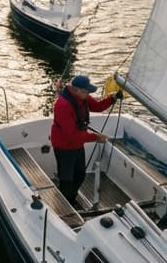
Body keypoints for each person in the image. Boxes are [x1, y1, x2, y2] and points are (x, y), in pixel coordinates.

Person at [50, 74, 119, 206]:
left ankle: (71, 198)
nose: (88, 94)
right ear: (77, 90)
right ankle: (66, 205)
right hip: (64, 146)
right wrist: (96, 137)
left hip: (77, 144)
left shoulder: (83, 97)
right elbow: (71, 134)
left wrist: (112, 99)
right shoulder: (63, 105)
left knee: (80, 174)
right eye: (86, 91)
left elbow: (97, 107)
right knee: (66, 179)